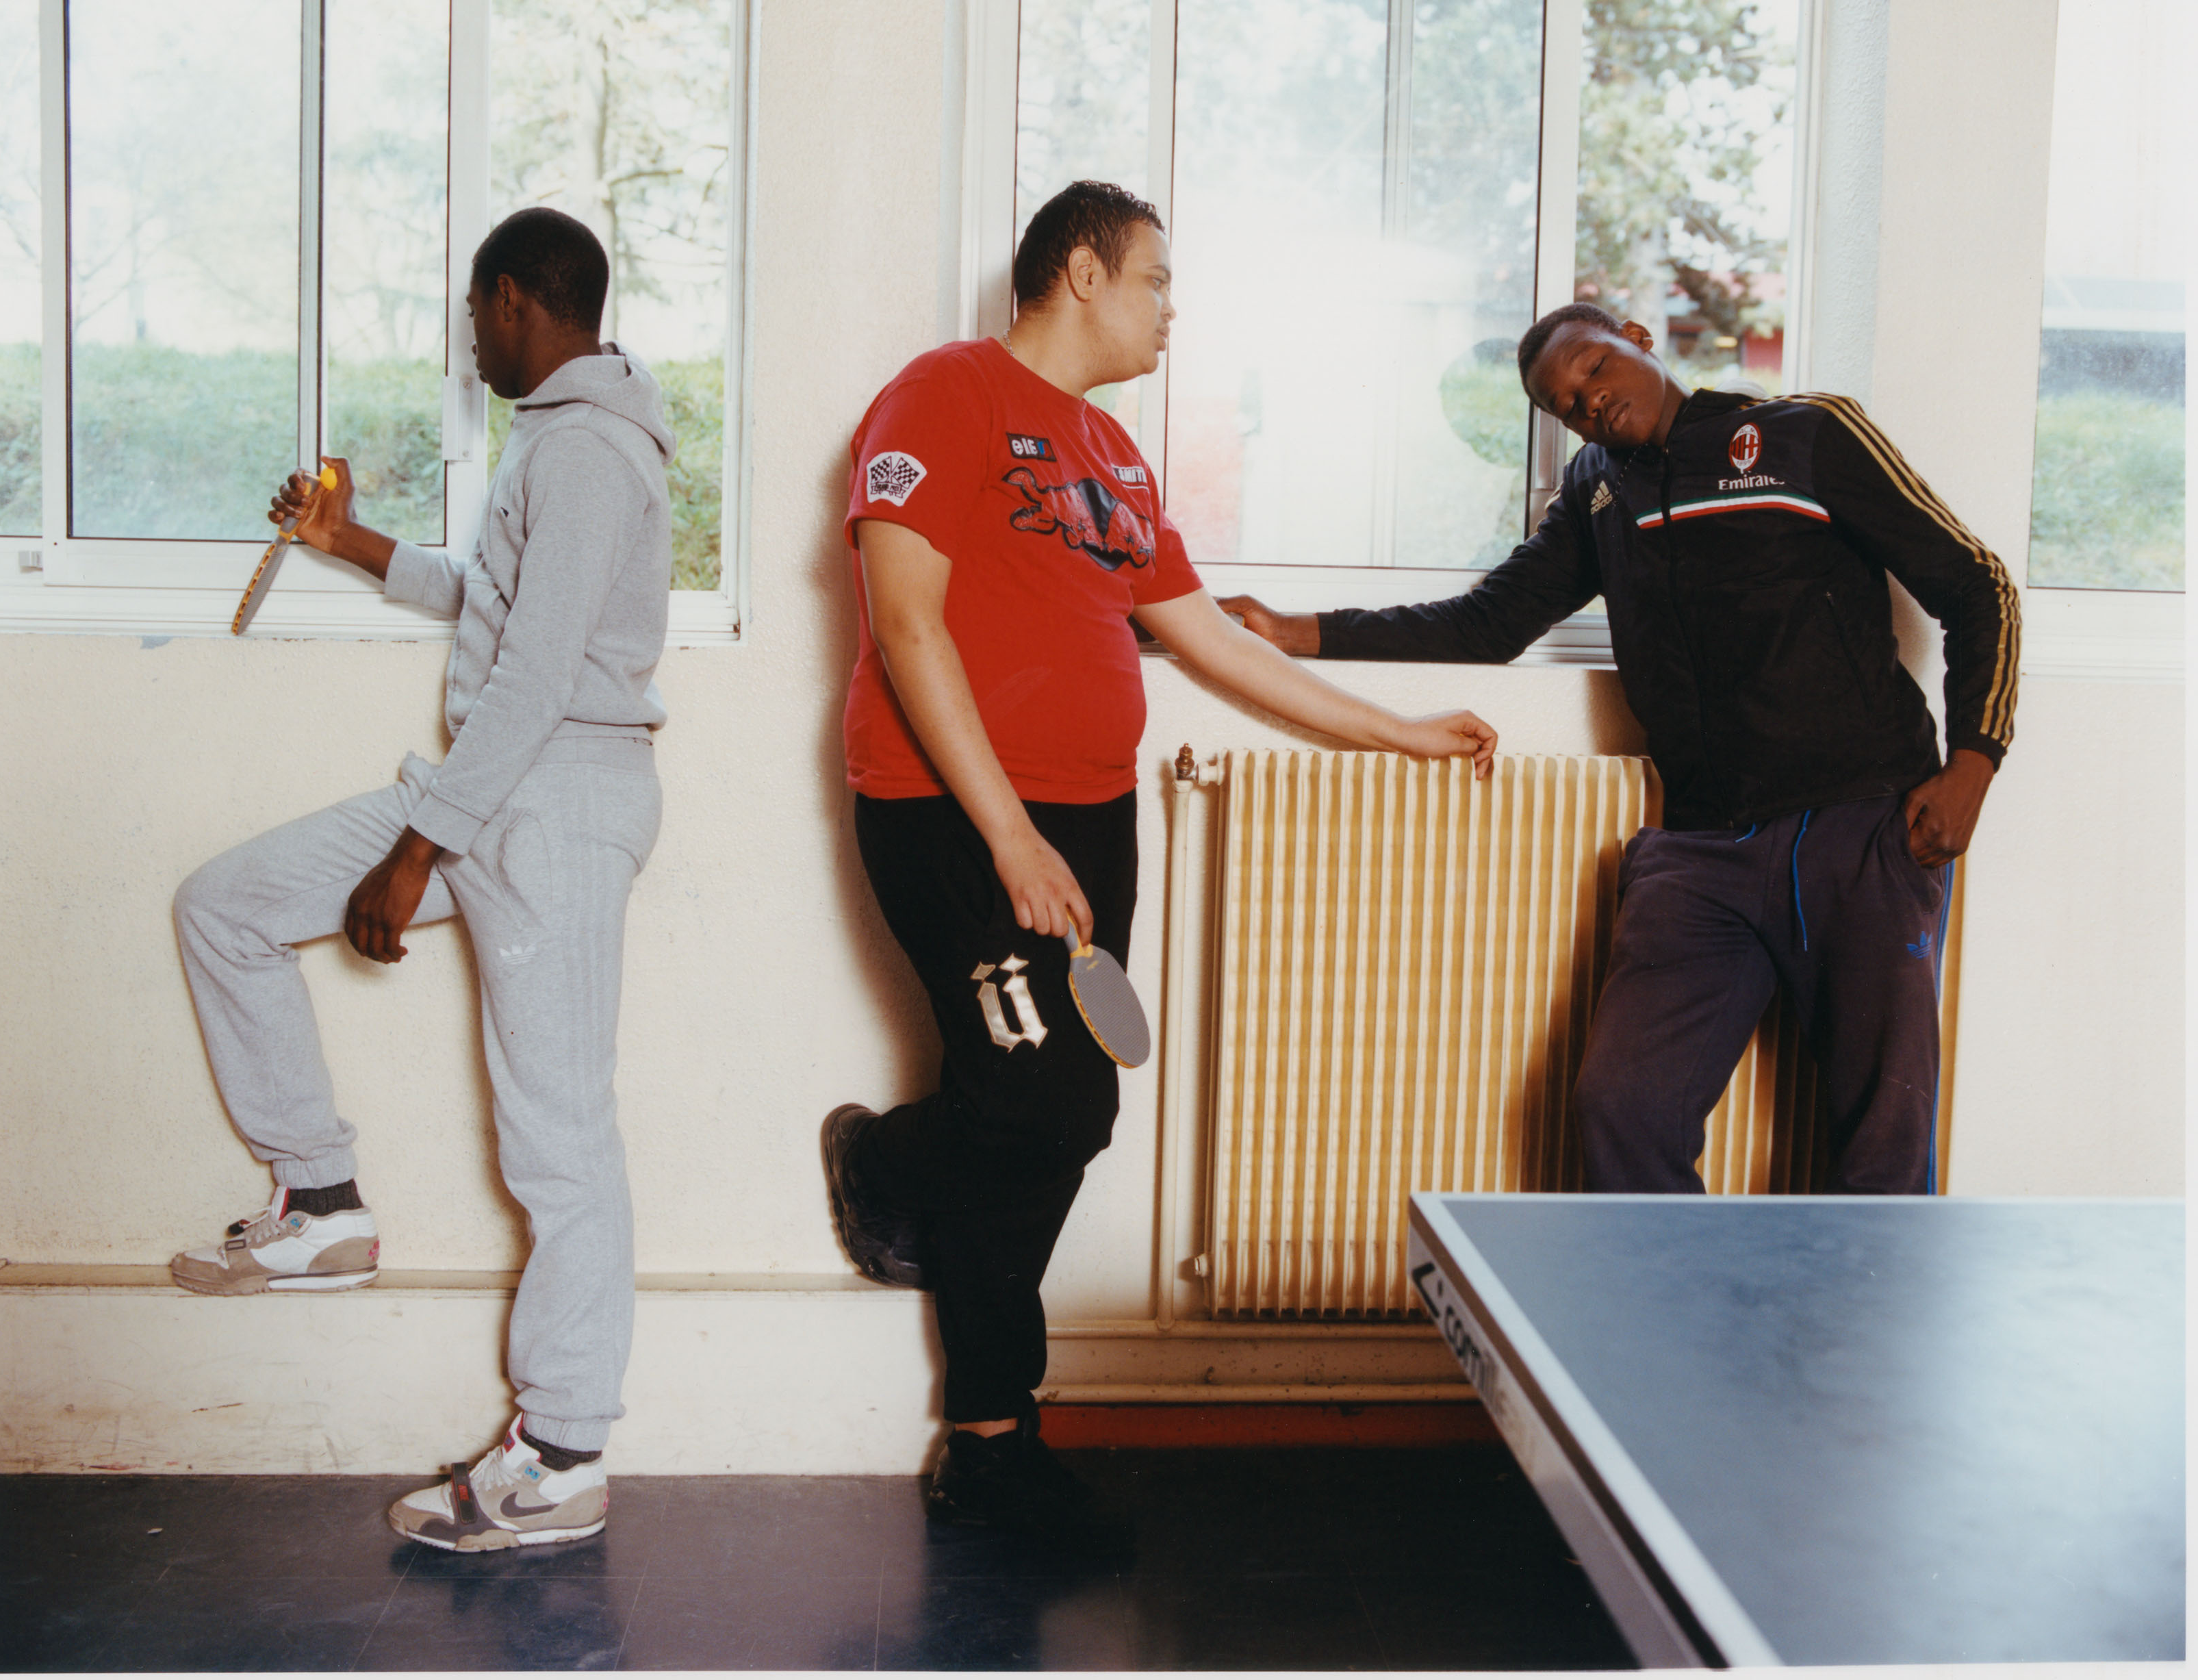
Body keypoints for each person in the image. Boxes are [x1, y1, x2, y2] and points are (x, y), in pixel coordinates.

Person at [821, 180, 1498, 1548]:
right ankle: (887, 1173)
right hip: (953, 814)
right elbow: (905, 623)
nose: (1170, 311)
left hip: (1091, 818)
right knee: (1039, 1098)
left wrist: (1399, 734)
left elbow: (1214, 640)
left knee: (1064, 1110)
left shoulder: (1115, 457)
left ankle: (988, 1432)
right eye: (1156, 280)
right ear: (1081, 271)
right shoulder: (941, 394)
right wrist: (1007, 834)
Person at [1222, 301, 2019, 1197]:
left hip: (1862, 823)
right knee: (1623, 1108)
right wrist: (1295, 631)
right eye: (1564, 404)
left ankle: (1859, 1302)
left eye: (1593, 370)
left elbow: (1978, 583)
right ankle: (1681, 1297)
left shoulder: (1803, 432)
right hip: (1704, 848)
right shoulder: (1598, 492)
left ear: (1637, 337)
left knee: (1881, 1135)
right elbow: (1489, 623)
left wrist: (1973, 763)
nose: (1586, 402)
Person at [167, 207, 676, 1552]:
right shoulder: (557, 436)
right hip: (498, 785)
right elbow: (490, 599)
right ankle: (321, 1203)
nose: (469, 344)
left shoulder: (589, 448)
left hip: (556, 800)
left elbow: (541, 674)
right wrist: (347, 540)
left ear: (513, 299)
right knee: (226, 904)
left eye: (472, 316)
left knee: (560, 1142)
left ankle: (561, 1454)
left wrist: (416, 848)